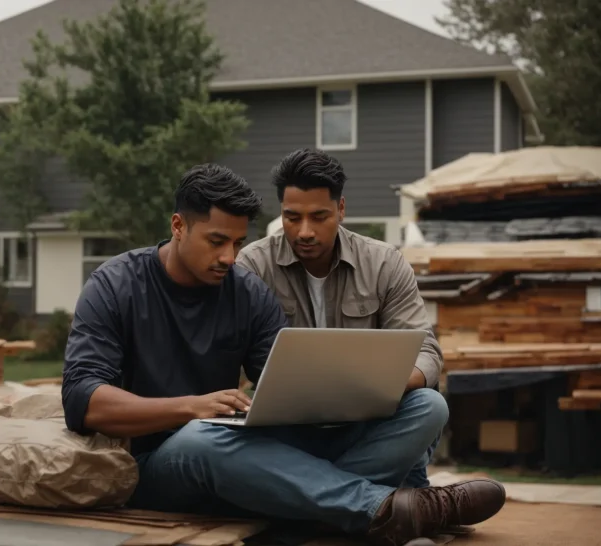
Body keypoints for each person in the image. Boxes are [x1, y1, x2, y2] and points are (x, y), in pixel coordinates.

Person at [62, 163, 505, 546]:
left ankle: (306, 510)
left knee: (427, 405)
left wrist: (352, 394)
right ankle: (386, 507)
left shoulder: (244, 290)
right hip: (159, 466)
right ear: (178, 226)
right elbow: (83, 400)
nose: (229, 257)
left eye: (237, 243)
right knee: (201, 438)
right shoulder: (115, 285)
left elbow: (288, 392)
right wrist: (190, 408)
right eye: (216, 241)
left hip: (241, 450)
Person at [235, 147, 445, 491]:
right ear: (281, 213)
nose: (304, 231)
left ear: (341, 210)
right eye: (292, 217)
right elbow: (232, 355)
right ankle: (377, 496)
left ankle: (310, 497)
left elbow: (427, 352)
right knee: (211, 443)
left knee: (430, 406)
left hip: (368, 422)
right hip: (288, 429)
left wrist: (380, 386)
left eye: (319, 217)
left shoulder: (384, 263)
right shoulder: (253, 266)